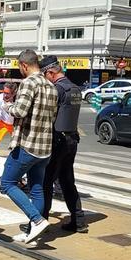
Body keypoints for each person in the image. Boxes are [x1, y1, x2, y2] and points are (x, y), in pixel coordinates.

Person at [0, 49, 57, 244]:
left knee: (7, 183)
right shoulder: (51, 85)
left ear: (24, 65)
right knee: (37, 189)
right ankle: (33, 232)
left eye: (19, 67)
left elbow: (20, 111)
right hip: (45, 147)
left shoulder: (28, 83)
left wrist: (6, 106)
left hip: (28, 144)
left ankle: (37, 220)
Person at [39, 56, 87, 233]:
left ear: (50, 72)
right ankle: (78, 220)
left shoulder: (57, 90)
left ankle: (40, 222)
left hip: (58, 140)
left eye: (45, 76)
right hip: (72, 140)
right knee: (67, 181)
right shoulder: (75, 89)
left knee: (46, 182)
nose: (46, 79)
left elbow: (47, 116)